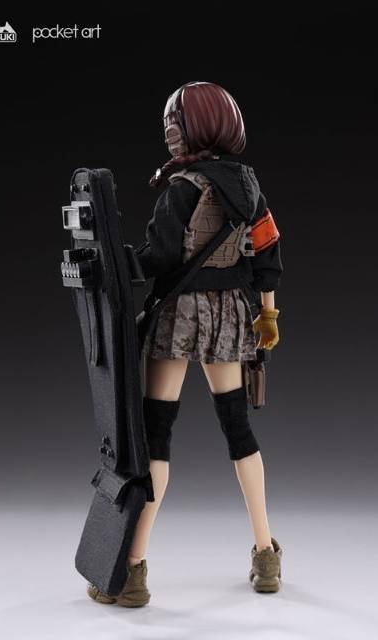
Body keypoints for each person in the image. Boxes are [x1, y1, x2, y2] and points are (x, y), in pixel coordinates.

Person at [88, 81, 283, 607]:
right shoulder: (249, 185)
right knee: (239, 431)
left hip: (179, 317)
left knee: (156, 436)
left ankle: (132, 568)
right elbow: (267, 254)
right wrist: (267, 314)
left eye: (174, 122)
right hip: (230, 316)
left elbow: (158, 259)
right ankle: (266, 554)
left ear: (193, 127)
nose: (169, 132)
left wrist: (116, 260)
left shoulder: (181, 188)